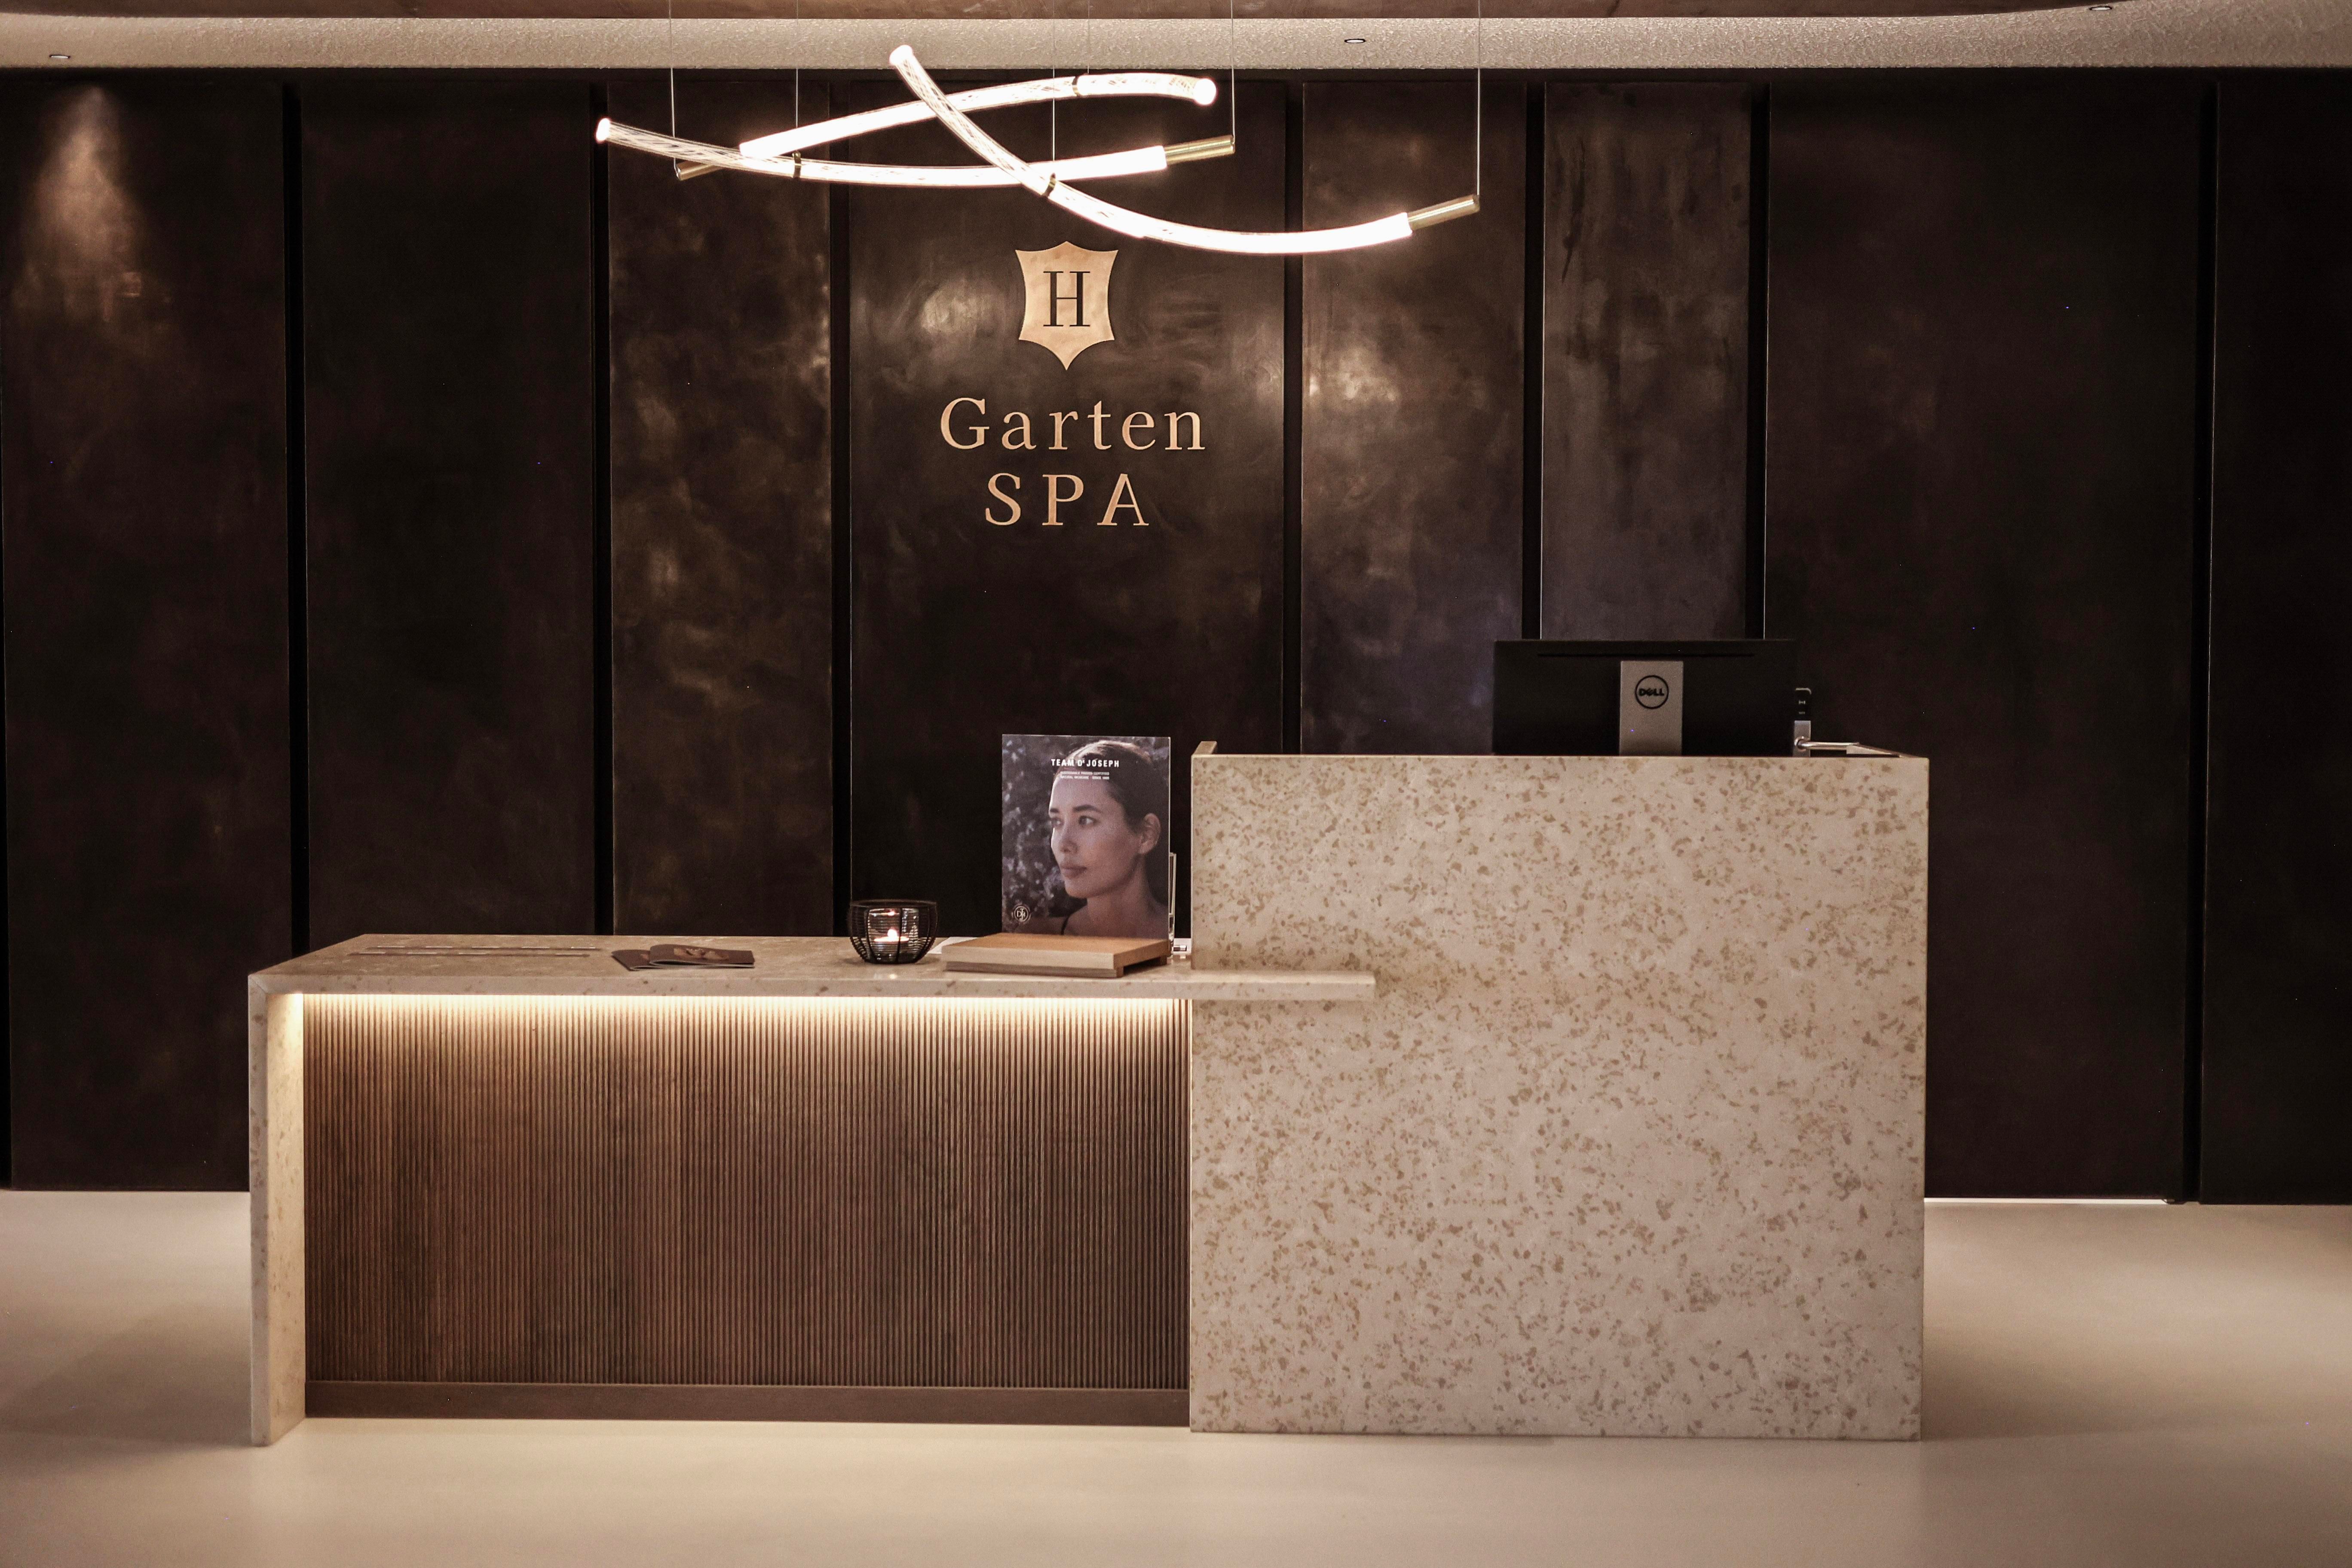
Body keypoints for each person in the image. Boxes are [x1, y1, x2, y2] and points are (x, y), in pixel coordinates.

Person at [1034, 740, 1168, 938]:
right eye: (1057, 822)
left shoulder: (1189, 937)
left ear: (1147, 835)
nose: (1063, 844)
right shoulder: (1037, 938)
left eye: (1086, 820)